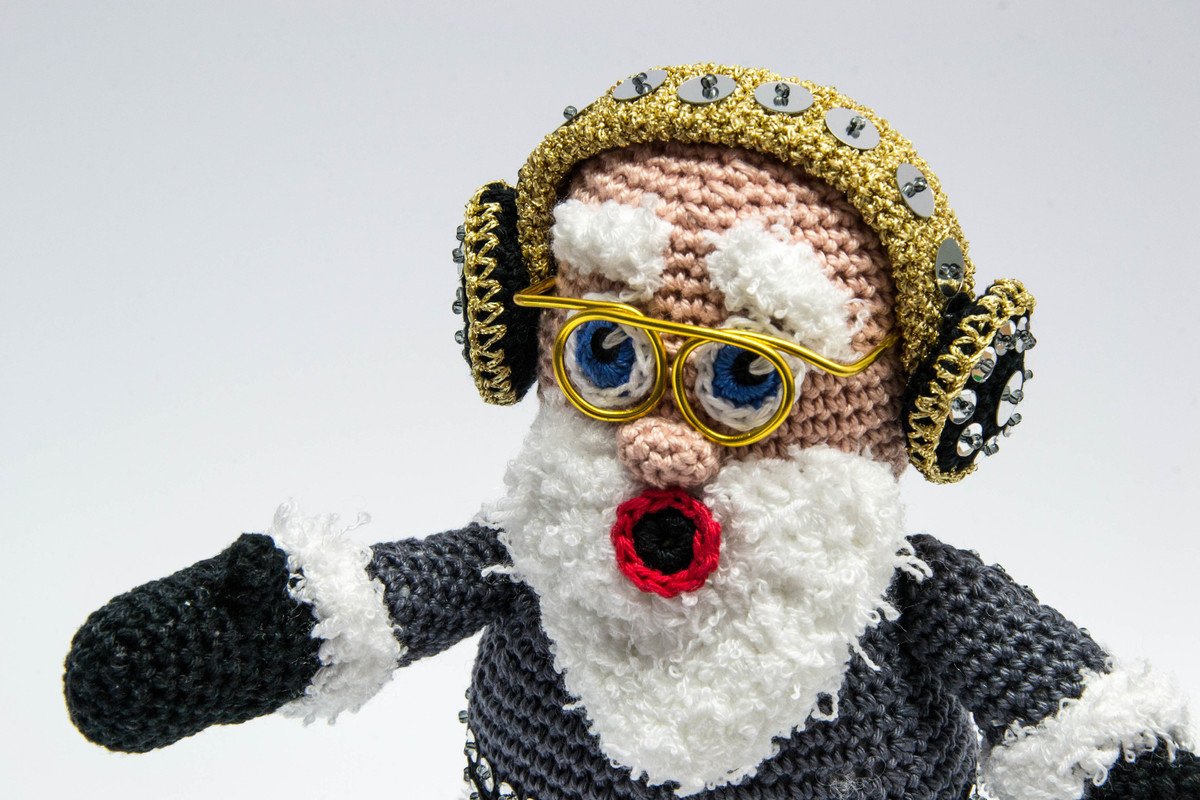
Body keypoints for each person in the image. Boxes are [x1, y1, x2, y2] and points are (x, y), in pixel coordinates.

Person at [64, 64, 1197, 800]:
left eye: (747, 376)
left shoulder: (907, 601)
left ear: (930, 406)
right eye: (610, 354)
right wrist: (247, 633)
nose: (666, 446)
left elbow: (1082, 722)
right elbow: (364, 603)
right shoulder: (534, 555)